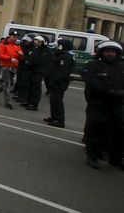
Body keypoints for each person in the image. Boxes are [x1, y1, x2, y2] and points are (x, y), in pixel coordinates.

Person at [81, 40, 124, 170]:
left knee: (119, 133)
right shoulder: (93, 65)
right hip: (98, 104)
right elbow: (90, 80)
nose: (110, 54)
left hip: (117, 105)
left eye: (113, 52)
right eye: (107, 51)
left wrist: (121, 92)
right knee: (94, 131)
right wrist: (108, 90)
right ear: (101, 52)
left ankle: (115, 158)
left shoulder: (122, 66)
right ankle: (92, 156)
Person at [44, 39, 75, 128]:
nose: (57, 46)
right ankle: (54, 117)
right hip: (55, 81)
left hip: (60, 82)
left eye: (59, 45)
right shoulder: (60, 54)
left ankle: (60, 120)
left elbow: (62, 72)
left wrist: (55, 80)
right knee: (53, 99)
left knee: (57, 100)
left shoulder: (66, 57)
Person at [0, 31, 23, 109]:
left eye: (17, 37)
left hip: (14, 67)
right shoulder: (3, 44)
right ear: (10, 36)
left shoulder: (17, 46)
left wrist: (21, 55)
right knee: (7, 84)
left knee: (9, 83)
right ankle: (7, 102)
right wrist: (10, 58)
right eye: (14, 36)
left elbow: (21, 58)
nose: (16, 38)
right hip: (6, 66)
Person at [22, 36, 52, 111]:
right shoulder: (37, 49)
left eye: (38, 41)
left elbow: (40, 61)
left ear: (42, 42)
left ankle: (34, 104)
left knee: (36, 88)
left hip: (38, 72)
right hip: (32, 70)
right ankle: (29, 102)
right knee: (30, 87)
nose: (35, 42)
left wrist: (30, 62)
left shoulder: (46, 51)